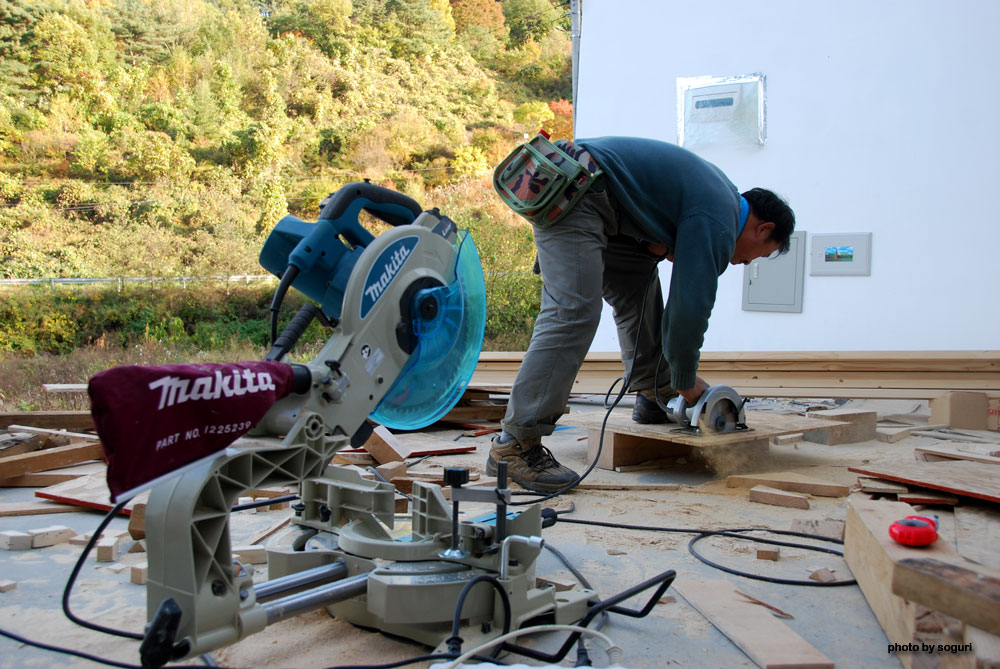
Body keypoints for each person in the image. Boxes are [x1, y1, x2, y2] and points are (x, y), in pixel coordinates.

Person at [487, 136, 796, 492]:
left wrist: (661, 238)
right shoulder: (720, 218)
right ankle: (515, 444)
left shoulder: (717, 195)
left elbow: (653, 214)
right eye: (755, 255)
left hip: (599, 198)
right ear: (764, 228)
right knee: (573, 313)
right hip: (577, 191)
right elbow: (690, 306)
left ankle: (655, 394)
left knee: (640, 290)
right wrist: (687, 376)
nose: (743, 262)